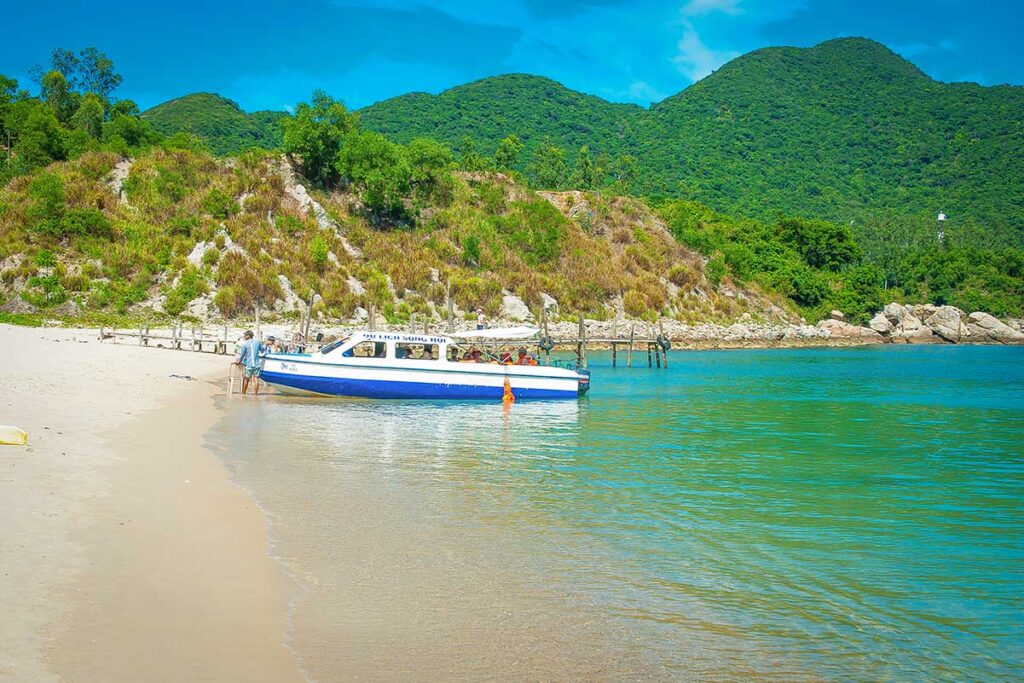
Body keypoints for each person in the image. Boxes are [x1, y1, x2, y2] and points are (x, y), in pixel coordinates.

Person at [236, 330, 263, 395]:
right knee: (256, 378)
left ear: (248, 336)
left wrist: (239, 362)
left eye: (245, 335)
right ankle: (256, 394)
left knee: (246, 379)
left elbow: (242, 354)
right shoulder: (257, 342)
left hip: (249, 364)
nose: (244, 336)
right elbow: (261, 349)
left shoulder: (245, 344)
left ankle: (243, 393)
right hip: (257, 364)